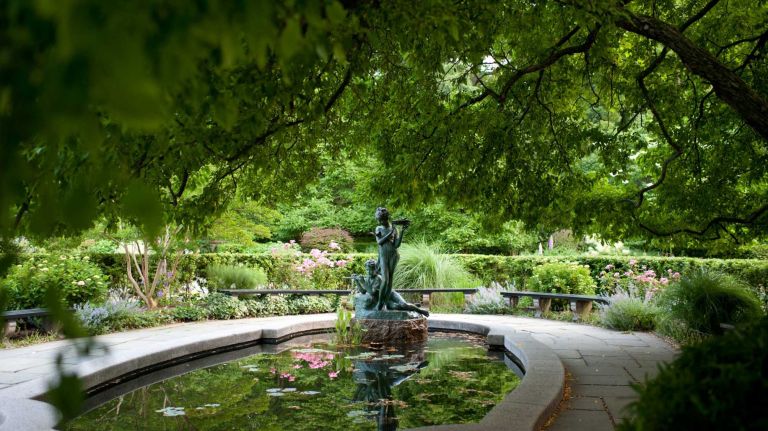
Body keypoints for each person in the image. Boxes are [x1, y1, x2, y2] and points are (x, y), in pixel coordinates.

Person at [374, 207, 408, 310]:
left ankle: (386, 302)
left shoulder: (394, 229)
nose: (381, 222)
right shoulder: (378, 229)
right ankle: (380, 303)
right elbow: (379, 242)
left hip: (393, 255)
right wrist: (390, 233)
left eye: (382, 220)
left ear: (386, 218)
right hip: (383, 255)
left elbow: (396, 244)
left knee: (390, 280)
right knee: (385, 280)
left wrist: (401, 231)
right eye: (379, 220)